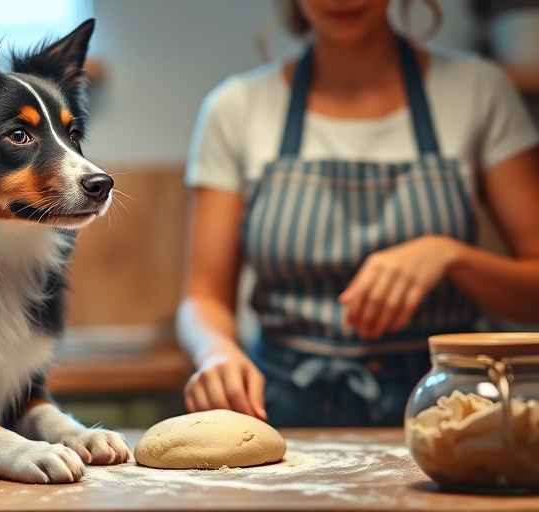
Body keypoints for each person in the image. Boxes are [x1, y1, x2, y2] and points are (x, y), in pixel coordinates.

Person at [177, 0, 539, 427]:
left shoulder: (478, 90)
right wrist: (217, 351)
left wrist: (449, 256)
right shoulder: (235, 108)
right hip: (280, 403)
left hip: (449, 409)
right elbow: (203, 298)